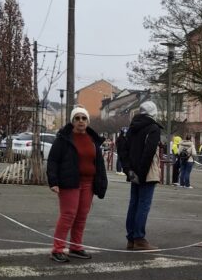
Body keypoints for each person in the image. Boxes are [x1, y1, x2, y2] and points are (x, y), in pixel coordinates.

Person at [46, 106, 108, 263]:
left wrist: (101, 182)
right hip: (69, 182)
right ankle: (57, 249)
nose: (81, 121)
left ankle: (75, 246)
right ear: (72, 121)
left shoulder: (93, 139)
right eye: (77, 118)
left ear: (88, 121)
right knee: (68, 215)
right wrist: (53, 181)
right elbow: (53, 160)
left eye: (84, 118)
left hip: (89, 183)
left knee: (81, 216)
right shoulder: (64, 139)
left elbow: (99, 163)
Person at [122, 100, 162, 251]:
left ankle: (131, 238)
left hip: (134, 171)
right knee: (143, 205)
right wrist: (142, 173)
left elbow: (125, 149)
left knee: (134, 204)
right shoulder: (153, 128)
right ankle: (139, 238)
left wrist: (130, 171)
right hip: (147, 172)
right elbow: (149, 152)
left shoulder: (133, 128)